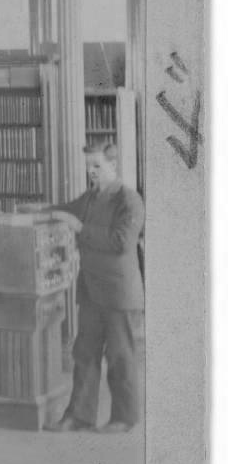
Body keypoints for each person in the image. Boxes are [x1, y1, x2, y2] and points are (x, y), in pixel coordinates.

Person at [52, 141, 145, 433]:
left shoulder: (129, 199)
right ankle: (79, 416)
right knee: (84, 353)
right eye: (88, 167)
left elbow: (121, 242)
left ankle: (123, 418)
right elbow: (65, 209)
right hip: (92, 291)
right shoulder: (90, 197)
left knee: (120, 356)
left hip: (119, 294)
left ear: (113, 166)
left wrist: (79, 228)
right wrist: (32, 211)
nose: (91, 172)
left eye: (97, 166)